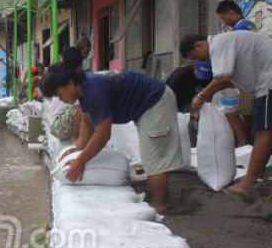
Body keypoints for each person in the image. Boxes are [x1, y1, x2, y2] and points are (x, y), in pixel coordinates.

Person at [40, 62, 183, 213]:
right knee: (152, 156)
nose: (60, 99)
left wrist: (80, 161)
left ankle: (160, 204)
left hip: (155, 101)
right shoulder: (84, 88)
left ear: (69, 83)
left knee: (153, 157)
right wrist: (79, 149)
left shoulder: (94, 90)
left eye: (59, 94)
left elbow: (103, 135)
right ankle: (163, 199)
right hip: (146, 104)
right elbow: (87, 121)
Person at [179, 31, 272, 194]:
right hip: (265, 82)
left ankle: (249, 181)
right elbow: (224, 81)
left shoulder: (218, 45)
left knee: (264, 131)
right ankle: (255, 176)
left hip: (268, 82)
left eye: (197, 57)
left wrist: (201, 95)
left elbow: (223, 78)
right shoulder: (225, 41)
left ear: (199, 45)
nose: (200, 61)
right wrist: (208, 95)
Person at [216, 0, 258, 145]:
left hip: (246, 76)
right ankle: (246, 144)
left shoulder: (242, 27)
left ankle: (244, 144)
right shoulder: (247, 25)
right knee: (245, 113)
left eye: (223, 17)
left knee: (234, 112)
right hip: (249, 75)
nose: (223, 21)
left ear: (231, 13)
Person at [49, 46, 89, 142]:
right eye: (85, 53)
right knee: (82, 107)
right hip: (58, 125)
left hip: (61, 122)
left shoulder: (71, 76)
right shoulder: (69, 78)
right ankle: (75, 138)